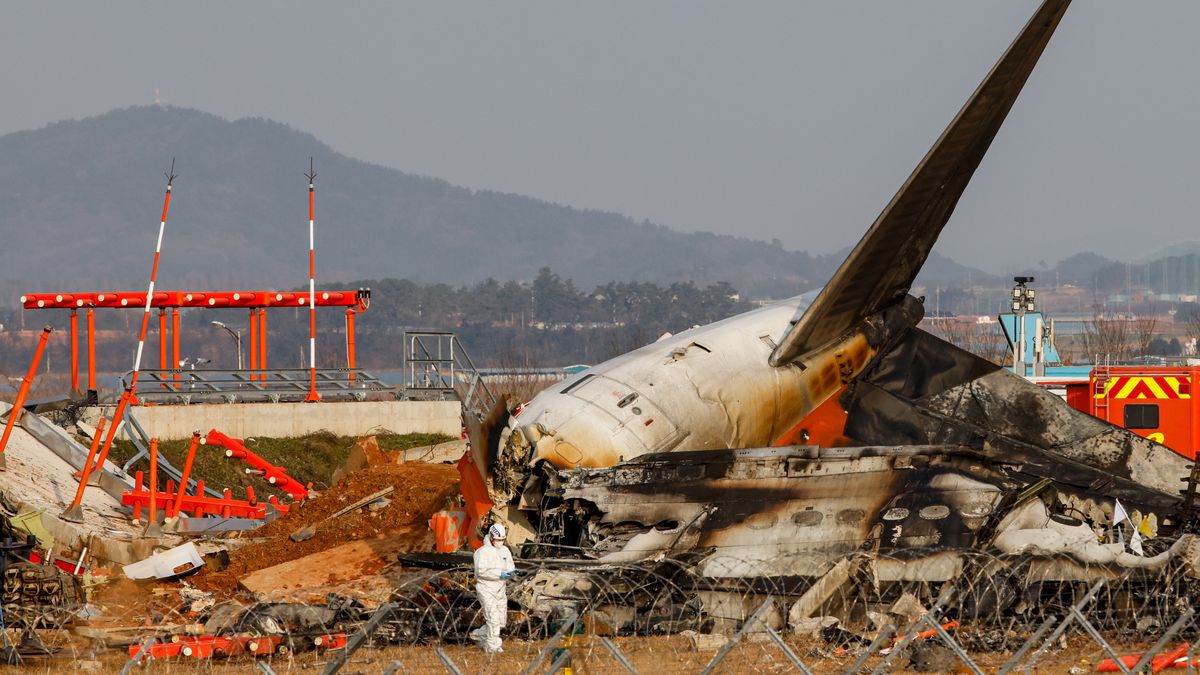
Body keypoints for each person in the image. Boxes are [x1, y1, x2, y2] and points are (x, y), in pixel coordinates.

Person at [471, 522, 516, 653]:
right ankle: (492, 647)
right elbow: (481, 572)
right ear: (491, 537)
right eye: (497, 540)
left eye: (502, 540)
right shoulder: (482, 552)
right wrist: (500, 574)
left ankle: (478, 635)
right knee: (493, 619)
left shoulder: (505, 551)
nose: (500, 542)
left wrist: (511, 573)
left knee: (501, 622)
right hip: (486, 589)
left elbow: (510, 566)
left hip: (500, 590)